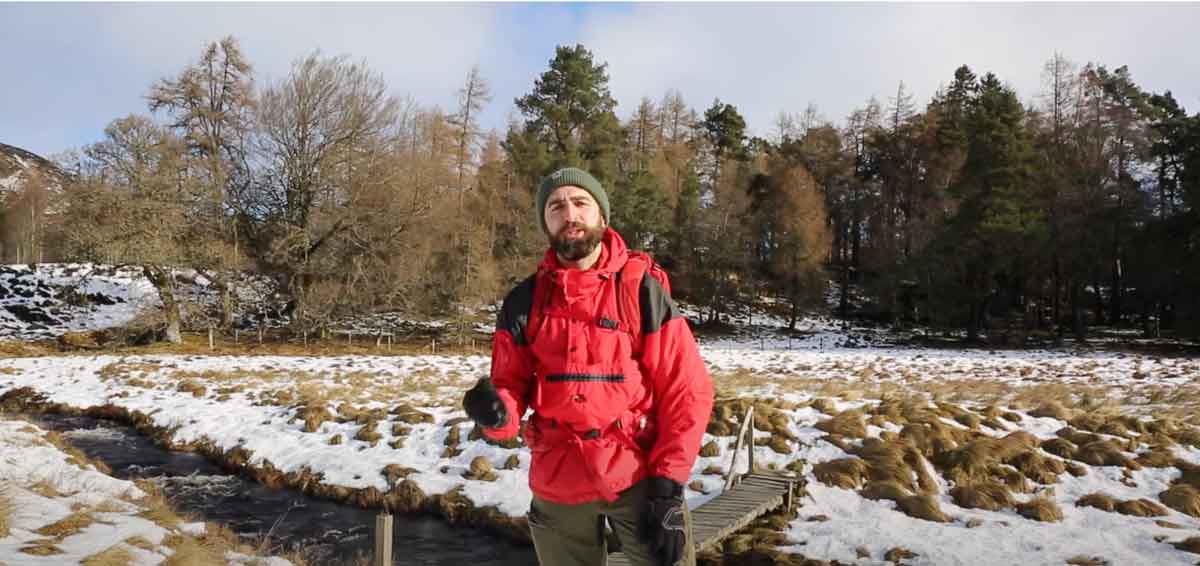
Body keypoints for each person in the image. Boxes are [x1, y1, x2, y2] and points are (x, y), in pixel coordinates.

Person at [463, 167, 714, 566]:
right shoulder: (522, 302)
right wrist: (496, 414)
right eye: (556, 206)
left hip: (638, 476)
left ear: (602, 216)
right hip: (558, 481)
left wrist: (668, 485)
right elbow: (509, 390)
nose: (569, 213)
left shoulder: (639, 290)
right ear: (545, 223)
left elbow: (686, 389)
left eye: (581, 202)